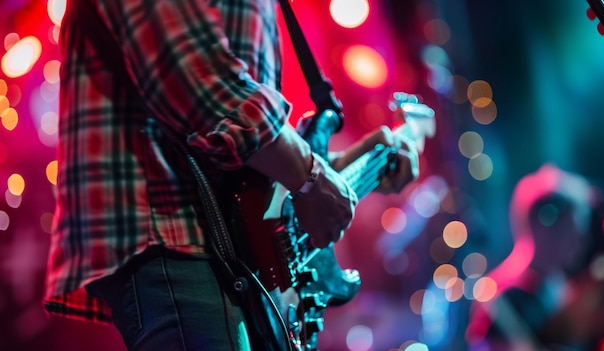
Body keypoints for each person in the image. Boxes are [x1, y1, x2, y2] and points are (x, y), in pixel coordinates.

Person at [43, 0, 424, 350]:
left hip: (221, 252)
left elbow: (243, 159)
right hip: (176, 234)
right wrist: (311, 176)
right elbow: (194, 74)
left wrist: (334, 172)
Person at [465, 164, 604, 350]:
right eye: (575, 230)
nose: (582, 241)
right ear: (545, 225)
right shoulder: (500, 298)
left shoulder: (561, 288)